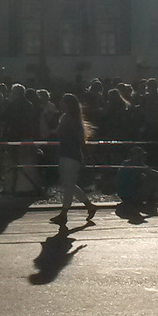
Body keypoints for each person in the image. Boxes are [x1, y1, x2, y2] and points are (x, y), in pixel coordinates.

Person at [51, 93, 98, 227]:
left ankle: (64, 214)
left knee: (68, 185)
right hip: (67, 152)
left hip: (70, 154)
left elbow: (75, 138)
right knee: (68, 184)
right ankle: (89, 206)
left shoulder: (70, 119)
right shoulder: (69, 118)